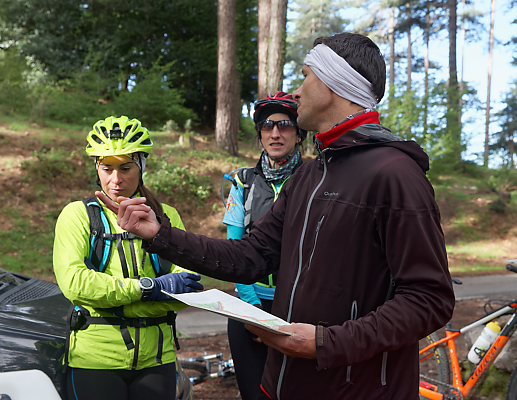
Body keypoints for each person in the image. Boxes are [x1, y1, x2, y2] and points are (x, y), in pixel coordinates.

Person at [98, 33, 455, 400]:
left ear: (334, 83)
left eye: (306, 76)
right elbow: (251, 255)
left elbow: (429, 299)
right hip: (282, 384)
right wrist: (160, 234)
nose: (297, 92)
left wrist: (325, 343)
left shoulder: (394, 174)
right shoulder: (309, 175)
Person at [53, 116, 203, 400]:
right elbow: (76, 284)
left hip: (157, 359)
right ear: (96, 167)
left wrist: (114, 298)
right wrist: (149, 289)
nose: (116, 179)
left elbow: (188, 287)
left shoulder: (167, 216)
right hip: (94, 360)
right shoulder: (76, 215)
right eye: (106, 169)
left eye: (125, 168)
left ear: (141, 166)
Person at [223, 91, 305, 400]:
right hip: (250, 304)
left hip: (300, 307)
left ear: (299, 134)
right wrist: (254, 312)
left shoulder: (316, 179)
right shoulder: (242, 183)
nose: (275, 133)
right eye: (267, 126)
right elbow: (234, 250)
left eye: (285, 125)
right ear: (259, 134)